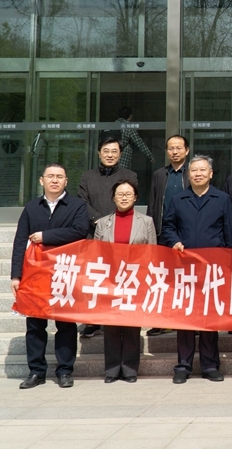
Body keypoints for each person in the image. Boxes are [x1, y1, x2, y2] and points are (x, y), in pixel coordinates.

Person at [11, 163, 90, 389]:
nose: (55, 180)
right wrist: (16, 275)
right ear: (41, 180)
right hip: (35, 275)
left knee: (65, 324)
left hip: (64, 272)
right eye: (50, 176)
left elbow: (79, 231)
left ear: (66, 181)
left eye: (59, 177)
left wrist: (46, 236)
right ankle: (36, 371)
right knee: (35, 324)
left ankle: (65, 371)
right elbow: (20, 242)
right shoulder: (31, 207)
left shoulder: (77, 205)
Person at [161, 154, 232, 384]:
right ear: (188, 174)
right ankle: (183, 365)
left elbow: (229, 232)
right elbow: (168, 226)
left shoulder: (222, 199)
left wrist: (224, 260)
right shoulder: (178, 199)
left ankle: (210, 365)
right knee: (185, 319)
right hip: (184, 269)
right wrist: (175, 241)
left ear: (211, 174)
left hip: (212, 270)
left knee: (209, 318)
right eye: (194, 170)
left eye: (203, 170)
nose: (198, 174)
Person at [93, 179, 156, 383]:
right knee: (111, 326)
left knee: (131, 325)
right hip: (110, 280)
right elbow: (96, 252)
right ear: (113, 198)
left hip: (135, 280)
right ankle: (112, 369)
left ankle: (129, 369)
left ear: (135, 197)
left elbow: (152, 252)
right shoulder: (103, 223)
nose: (124, 197)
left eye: (128, 194)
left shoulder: (146, 222)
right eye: (120, 194)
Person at [77, 136, 138, 338]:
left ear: (120, 154)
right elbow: (82, 202)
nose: (110, 155)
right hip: (94, 232)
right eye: (106, 151)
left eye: (114, 151)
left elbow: (128, 200)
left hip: (122, 233)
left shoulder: (129, 175)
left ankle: (120, 316)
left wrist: (112, 222)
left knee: (121, 277)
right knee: (95, 278)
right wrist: (100, 221)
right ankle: (93, 320)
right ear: (99, 153)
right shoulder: (87, 176)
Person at [145, 134, 190, 337]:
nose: (175, 151)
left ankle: (188, 320)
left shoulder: (193, 172)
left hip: (187, 234)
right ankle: (162, 321)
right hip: (163, 233)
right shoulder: (159, 174)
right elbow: (153, 204)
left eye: (179, 148)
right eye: (171, 148)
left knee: (187, 279)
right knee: (163, 279)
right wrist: (151, 232)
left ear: (187, 150)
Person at [115, 106, 154, 171]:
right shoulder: (128, 126)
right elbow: (139, 142)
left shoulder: (113, 125)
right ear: (130, 116)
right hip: (123, 159)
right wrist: (150, 155)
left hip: (111, 159)